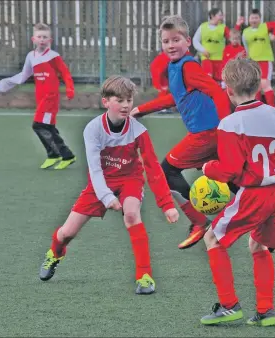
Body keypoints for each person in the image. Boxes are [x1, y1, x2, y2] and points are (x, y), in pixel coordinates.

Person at [199, 58, 275, 326]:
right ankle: (265, 311)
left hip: (256, 194)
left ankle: (228, 306)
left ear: (228, 90)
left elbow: (228, 170)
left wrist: (207, 168)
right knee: (257, 243)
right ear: (259, 85)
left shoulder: (230, 123)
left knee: (212, 238)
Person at [38, 76, 179, 294]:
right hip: (100, 182)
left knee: (132, 214)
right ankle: (55, 253)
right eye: (119, 100)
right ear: (105, 102)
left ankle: (144, 275)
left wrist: (167, 204)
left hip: (130, 179)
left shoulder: (138, 131)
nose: (125, 105)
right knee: (66, 233)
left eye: (129, 100)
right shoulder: (93, 129)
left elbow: (153, 168)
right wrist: (106, 197)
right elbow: (94, 169)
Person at [131, 15, 233, 250]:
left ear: (188, 42)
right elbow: (174, 97)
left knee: (166, 171)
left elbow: (217, 92)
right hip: (209, 132)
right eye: (166, 41)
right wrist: (142, 109)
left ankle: (199, 221)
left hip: (207, 133)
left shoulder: (188, 66)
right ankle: (262, 224)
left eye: (175, 40)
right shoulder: (173, 66)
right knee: (234, 178)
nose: (170, 45)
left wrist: (227, 126)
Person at [0, 23, 76, 170]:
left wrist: (69, 88)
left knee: (38, 125)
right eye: (39, 37)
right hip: (41, 97)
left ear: (50, 40)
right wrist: (3, 85)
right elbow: (23, 75)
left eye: (45, 37)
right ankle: (64, 155)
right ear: (33, 39)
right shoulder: (31, 56)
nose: (42, 39)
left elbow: (65, 73)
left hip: (51, 97)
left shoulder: (53, 56)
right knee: (48, 127)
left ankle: (56, 154)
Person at [239, 9, 275, 107]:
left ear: (260, 19)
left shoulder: (265, 26)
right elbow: (245, 47)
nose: (254, 20)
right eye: (252, 18)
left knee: (265, 84)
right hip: (253, 62)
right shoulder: (246, 32)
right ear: (249, 19)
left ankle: (272, 108)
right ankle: (257, 108)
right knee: (255, 86)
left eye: (256, 18)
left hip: (265, 60)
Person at [192, 8, 241, 82]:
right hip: (206, 58)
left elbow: (233, 38)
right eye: (220, 15)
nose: (222, 17)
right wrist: (202, 50)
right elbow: (195, 40)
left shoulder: (223, 27)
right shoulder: (202, 27)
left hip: (220, 59)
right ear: (212, 16)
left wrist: (237, 25)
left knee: (220, 81)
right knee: (208, 78)